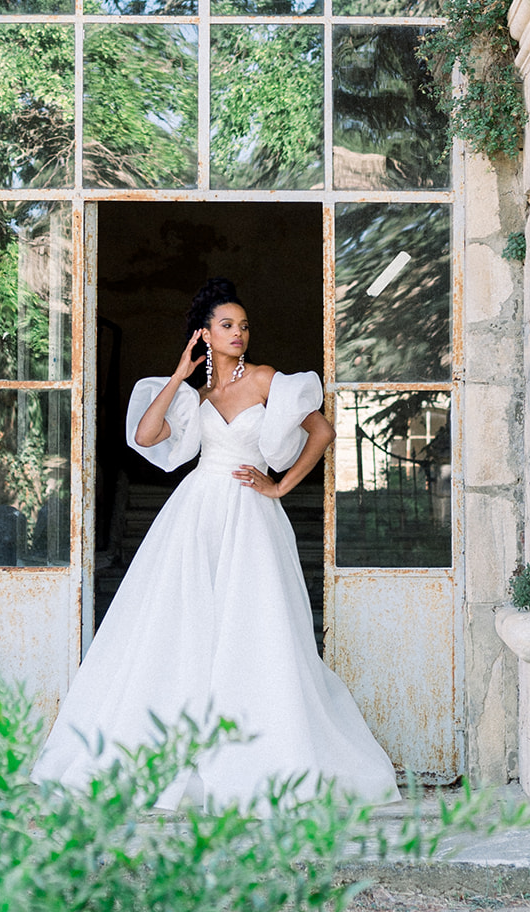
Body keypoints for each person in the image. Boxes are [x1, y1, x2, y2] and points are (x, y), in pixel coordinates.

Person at [32, 276, 398, 809]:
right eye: (227, 326)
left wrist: (279, 485)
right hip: (197, 512)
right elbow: (146, 435)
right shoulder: (196, 395)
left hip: (251, 515)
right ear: (204, 334)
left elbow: (321, 433)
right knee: (179, 626)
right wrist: (179, 375)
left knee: (255, 627)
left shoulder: (270, 381)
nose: (239, 334)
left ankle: (265, 753)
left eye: (244, 326)